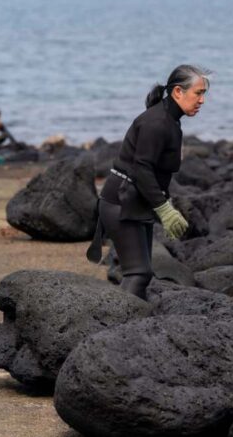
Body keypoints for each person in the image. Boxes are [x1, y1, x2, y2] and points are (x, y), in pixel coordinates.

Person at [86, 65, 210, 300]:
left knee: (143, 273)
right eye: (198, 93)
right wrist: (164, 209)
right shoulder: (157, 122)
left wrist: (164, 204)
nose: (202, 100)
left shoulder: (170, 119)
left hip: (135, 202)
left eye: (204, 94)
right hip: (120, 203)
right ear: (177, 92)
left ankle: (130, 326)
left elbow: (152, 170)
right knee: (138, 273)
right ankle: (117, 326)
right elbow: (142, 168)